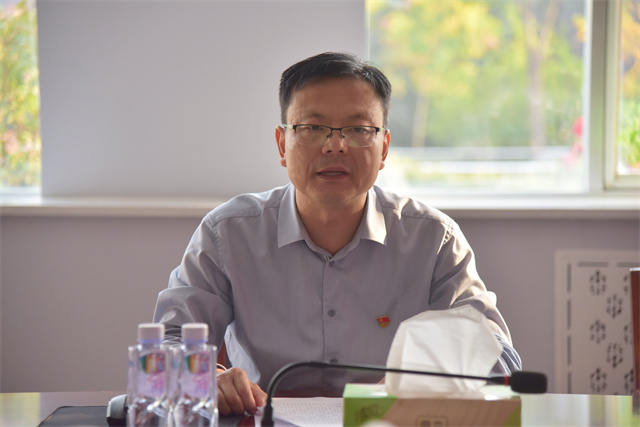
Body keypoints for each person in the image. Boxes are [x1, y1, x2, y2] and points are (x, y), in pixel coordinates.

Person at [153, 52, 522, 416]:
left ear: (384, 148)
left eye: (358, 130)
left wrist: (426, 375)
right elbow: (165, 347)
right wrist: (207, 378)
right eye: (313, 128)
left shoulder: (433, 240)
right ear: (282, 144)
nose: (335, 145)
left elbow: (498, 357)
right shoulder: (228, 235)